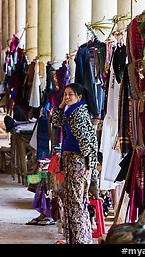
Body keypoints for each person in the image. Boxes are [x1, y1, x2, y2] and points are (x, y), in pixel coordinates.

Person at [50, 82, 98, 244]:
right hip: (71, 160)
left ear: (79, 97)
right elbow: (55, 121)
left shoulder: (78, 114)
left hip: (78, 162)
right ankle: (76, 239)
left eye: (71, 94)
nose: (67, 97)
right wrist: (63, 103)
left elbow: (87, 143)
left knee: (76, 202)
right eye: (65, 94)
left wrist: (88, 167)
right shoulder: (71, 111)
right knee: (71, 201)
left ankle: (80, 240)